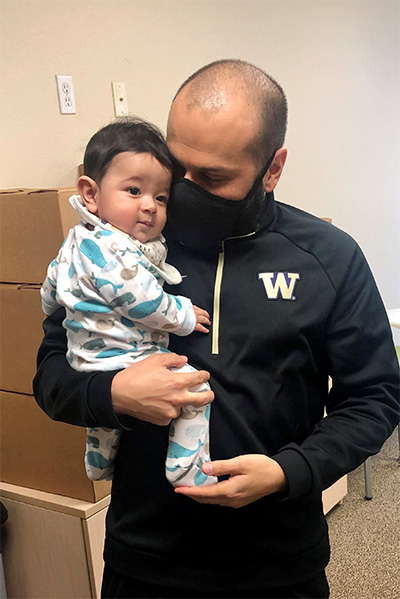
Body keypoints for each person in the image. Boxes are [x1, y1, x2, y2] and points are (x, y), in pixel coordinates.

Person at [34, 59, 400, 599]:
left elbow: (374, 398)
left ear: (272, 169)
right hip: (145, 558)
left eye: (212, 178)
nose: (179, 193)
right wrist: (110, 393)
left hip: (279, 560)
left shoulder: (329, 257)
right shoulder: (125, 245)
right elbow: (49, 377)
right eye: (175, 168)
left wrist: (289, 471)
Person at [40, 117, 217, 487]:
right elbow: (144, 302)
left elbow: (51, 285)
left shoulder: (76, 238)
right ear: (91, 193)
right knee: (195, 389)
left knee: (107, 418)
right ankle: (186, 469)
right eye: (134, 191)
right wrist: (183, 315)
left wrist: (61, 303)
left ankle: (98, 460)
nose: (150, 206)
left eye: (161, 197)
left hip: (86, 358)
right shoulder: (115, 249)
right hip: (122, 356)